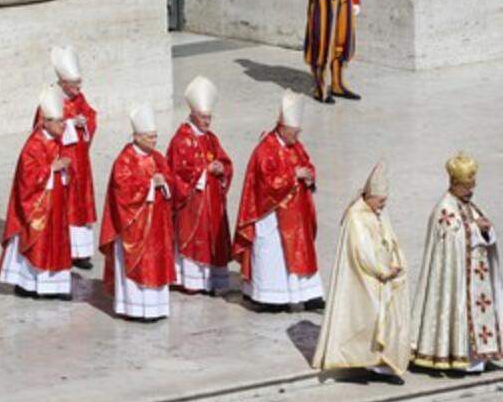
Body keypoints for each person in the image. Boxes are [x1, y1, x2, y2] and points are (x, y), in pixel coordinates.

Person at [312, 160, 409, 385]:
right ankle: (365, 362)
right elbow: (362, 252)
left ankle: (383, 364)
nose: (383, 206)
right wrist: (383, 271)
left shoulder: (377, 212)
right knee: (369, 317)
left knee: (389, 318)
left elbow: (391, 239)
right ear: (370, 197)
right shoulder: (356, 217)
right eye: (381, 201)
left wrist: (397, 263)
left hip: (385, 274)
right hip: (364, 277)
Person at [233, 90, 325, 311]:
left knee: (301, 252)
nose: (297, 137)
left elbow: (307, 163)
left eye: (298, 132)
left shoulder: (294, 145)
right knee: (273, 255)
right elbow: (267, 183)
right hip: (271, 214)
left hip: (296, 214)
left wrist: (309, 174)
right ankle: (270, 298)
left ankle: (309, 294)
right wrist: (294, 176)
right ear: (282, 128)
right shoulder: (265, 149)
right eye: (294, 132)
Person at [410, 154, 503, 373]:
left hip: (476, 277)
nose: (471, 191)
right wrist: (474, 228)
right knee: (458, 313)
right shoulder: (445, 208)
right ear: (455, 184)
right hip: (457, 279)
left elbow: (474, 228)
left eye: (473, 185)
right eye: (467, 186)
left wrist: (486, 229)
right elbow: (452, 236)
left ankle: (479, 356)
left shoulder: (469, 205)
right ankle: (459, 358)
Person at [98, 104, 175, 322]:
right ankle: (132, 307)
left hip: (157, 225)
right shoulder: (124, 160)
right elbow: (122, 190)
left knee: (156, 263)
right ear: (137, 137)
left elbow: (170, 180)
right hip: (134, 226)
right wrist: (150, 184)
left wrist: (164, 183)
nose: (154, 141)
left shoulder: (158, 158)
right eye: (150, 137)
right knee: (137, 265)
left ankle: (155, 307)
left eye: (155, 136)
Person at [0, 85, 74, 299]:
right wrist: (51, 169)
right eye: (60, 122)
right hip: (38, 206)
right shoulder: (33, 145)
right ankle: (30, 284)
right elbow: (27, 177)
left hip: (56, 202)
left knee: (57, 241)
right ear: (45, 122)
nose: (64, 125)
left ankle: (56, 285)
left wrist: (66, 169)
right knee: (38, 241)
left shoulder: (57, 141)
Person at [167, 76, 233, 295]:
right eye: (204, 117)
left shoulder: (211, 138)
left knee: (212, 237)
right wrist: (205, 171)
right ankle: (192, 280)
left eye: (209, 117)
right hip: (192, 203)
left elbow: (225, 161)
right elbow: (177, 170)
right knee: (194, 238)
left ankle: (211, 281)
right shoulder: (181, 139)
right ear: (193, 115)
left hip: (212, 200)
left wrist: (221, 168)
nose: (207, 121)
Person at [34, 45, 97, 270]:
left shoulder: (79, 97)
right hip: (61, 158)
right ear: (62, 83)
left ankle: (81, 252)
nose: (79, 88)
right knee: (66, 203)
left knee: (80, 203)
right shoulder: (50, 99)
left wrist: (85, 122)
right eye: (75, 84)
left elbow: (91, 115)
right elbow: (41, 129)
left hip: (79, 158)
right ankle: (67, 249)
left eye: (80, 83)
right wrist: (71, 124)